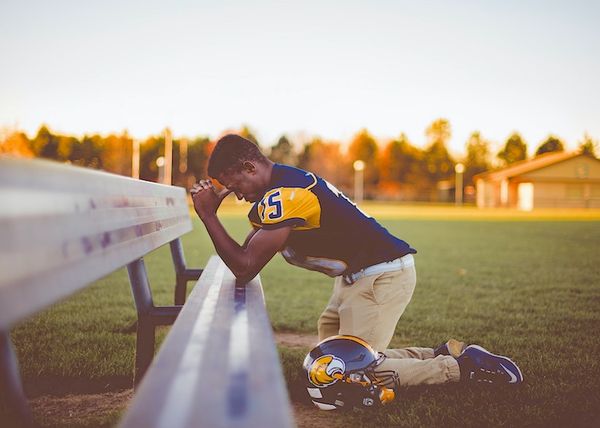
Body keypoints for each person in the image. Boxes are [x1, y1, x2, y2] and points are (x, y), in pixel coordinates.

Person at [191, 134, 523, 392]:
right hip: (358, 278)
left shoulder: (286, 194)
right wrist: (213, 216)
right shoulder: (281, 186)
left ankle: (464, 369)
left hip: (380, 276)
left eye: (236, 186)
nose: (237, 195)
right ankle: (441, 354)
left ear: (250, 168)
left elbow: (245, 266)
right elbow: (247, 252)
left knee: (349, 372)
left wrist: (207, 216)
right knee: (328, 363)